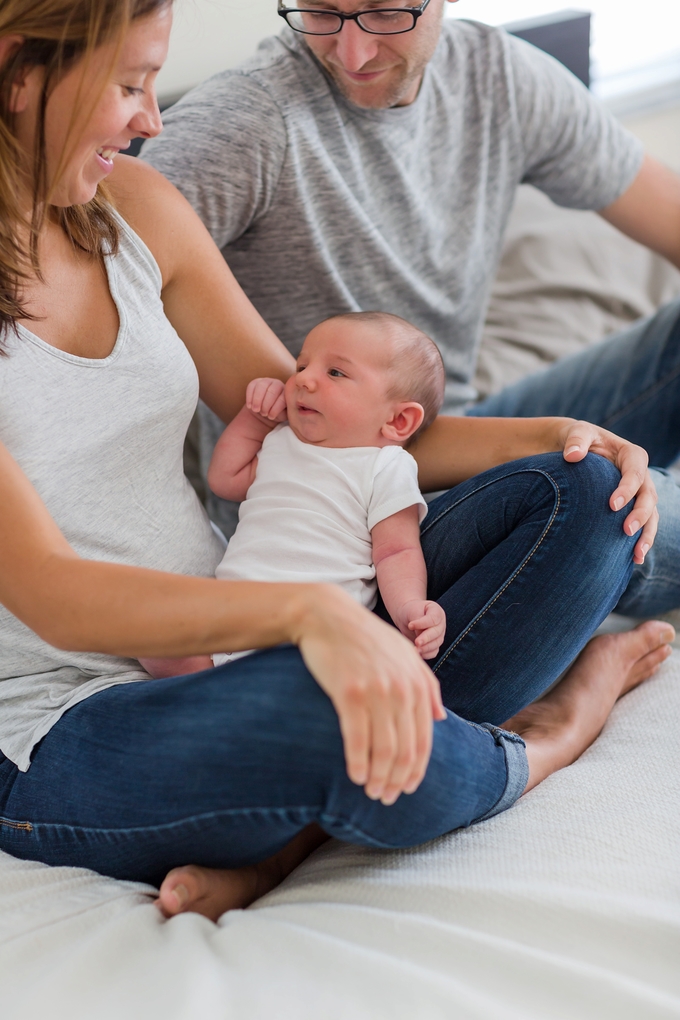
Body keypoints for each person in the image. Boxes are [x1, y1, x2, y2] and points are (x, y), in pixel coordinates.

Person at [0, 0, 674, 926]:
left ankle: (296, 833)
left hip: (241, 638)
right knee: (322, 707)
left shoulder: (136, 210)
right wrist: (307, 612)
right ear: (19, 72)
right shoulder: (241, 130)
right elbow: (50, 593)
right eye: (128, 85)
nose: (153, 119)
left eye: (155, 82)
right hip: (58, 718)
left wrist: (551, 433)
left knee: (593, 495)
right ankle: (546, 735)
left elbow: (319, 423)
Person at [140, 0, 680, 605]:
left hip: (451, 433)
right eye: (320, 12)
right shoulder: (245, 123)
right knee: (601, 500)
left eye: (386, 12)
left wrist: (553, 437)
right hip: (340, 515)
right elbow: (90, 261)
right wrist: (553, 437)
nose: (353, 53)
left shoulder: (499, 76)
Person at [140, 311, 447, 679]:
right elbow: (226, 480)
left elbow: (396, 550)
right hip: (230, 619)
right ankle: (210, 696)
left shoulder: (386, 466)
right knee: (148, 635)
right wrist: (255, 419)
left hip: (315, 631)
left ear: (398, 421)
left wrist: (409, 606)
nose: (302, 379)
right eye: (302, 364)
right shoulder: (280, 440)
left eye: (335, 372)